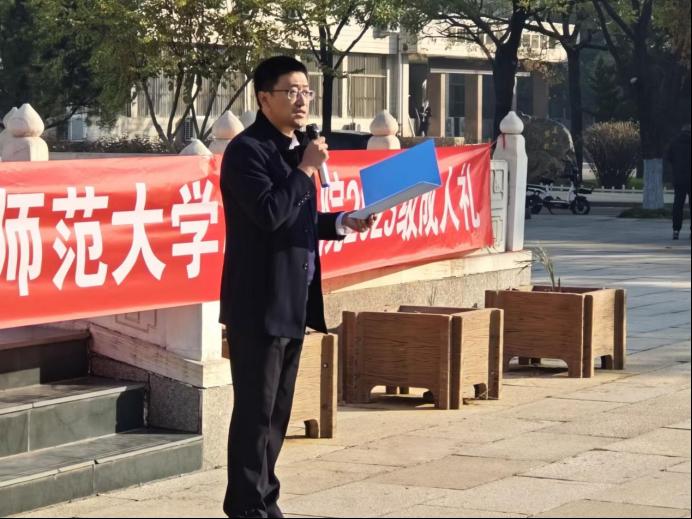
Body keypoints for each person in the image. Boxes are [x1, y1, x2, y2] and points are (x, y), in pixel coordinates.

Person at [219, 56, 375, 518]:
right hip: (258, 303)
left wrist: (343, 222)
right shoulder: (247, 152)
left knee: (277, 412)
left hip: (293, 300)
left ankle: (264, 499)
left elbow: (299, 219)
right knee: (255, 411)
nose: (302, 100)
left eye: (306, 91)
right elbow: (269, 213)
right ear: (264, 98)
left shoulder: (296, 150)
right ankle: (246, 506)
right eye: (291, 91)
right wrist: (305, 170)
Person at [665, 124, 691, 240]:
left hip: (679, 179)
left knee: (678, 205)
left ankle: (676, 230)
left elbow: (669, 158)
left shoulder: (674, 142)